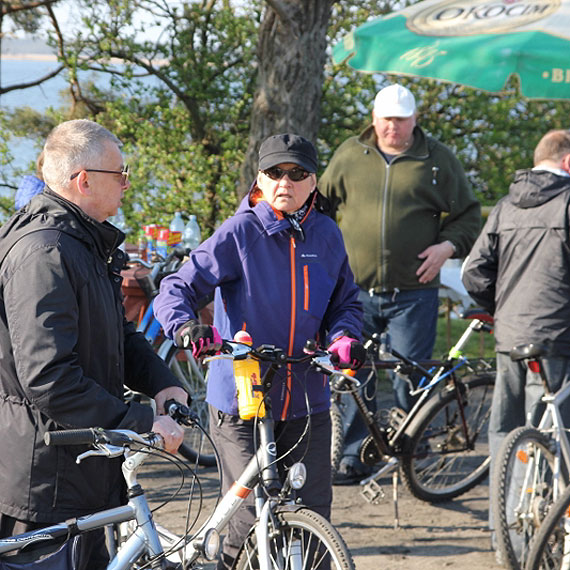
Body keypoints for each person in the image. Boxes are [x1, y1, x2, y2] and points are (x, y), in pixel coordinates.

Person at [154, 133, 364, 570]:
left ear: (314, 182)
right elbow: (176, 287)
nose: (285, 181)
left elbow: (345, 303)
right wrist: (188, 328)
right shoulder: (240, 231)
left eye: (297, 173)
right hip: (241, 397)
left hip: (306, 395)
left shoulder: (326, 234)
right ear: (260, 179)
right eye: (274, 172)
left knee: (311, 515)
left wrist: (343, 337)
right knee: (249, 516)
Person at [0, 119, 187, 569]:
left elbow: (116, 333)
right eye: (119, 173)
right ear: (83, 180)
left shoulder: (84, 243)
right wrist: (139, 422)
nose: (126, 184)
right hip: (44, 482)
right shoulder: (46, 252)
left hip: (82, 471)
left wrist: (163, 382)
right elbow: (49, 378)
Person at [319, 83, 481, 484]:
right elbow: (320, 205)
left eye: (401, 120)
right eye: (387, 119)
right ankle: (356, 454)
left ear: (414, 120)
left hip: (414, 291)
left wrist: (447, 246)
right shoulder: (349, 155)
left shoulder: (437, 160)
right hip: (354, 291)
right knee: (355, 373)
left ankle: (414, 454)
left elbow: (468, 215)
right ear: (374, 119)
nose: (393, 127)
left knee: (412, 373)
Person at [461, 129, 570, 554]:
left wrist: (500, 307)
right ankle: (538, 542)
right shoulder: (566, 202)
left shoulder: (506, 205)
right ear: (566, 161)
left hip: (509, 336)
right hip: (558, 337)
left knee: (506, 436)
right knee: (554, 437)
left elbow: (474, 271)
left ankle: (504, 538)